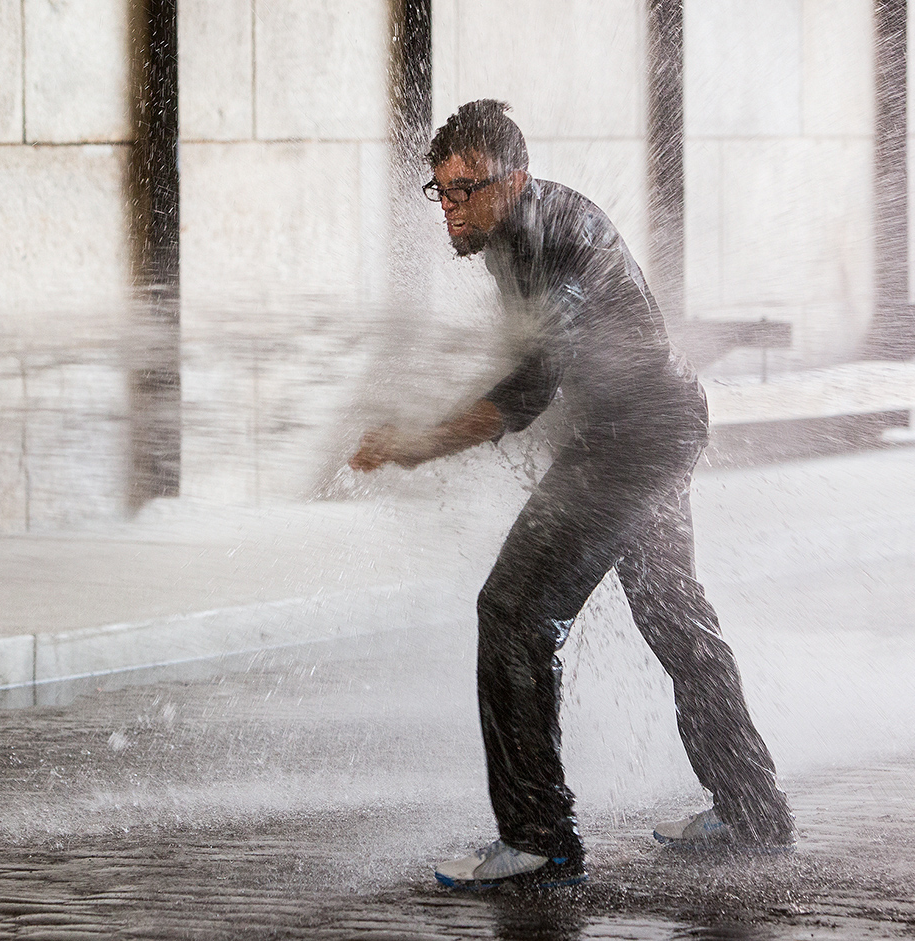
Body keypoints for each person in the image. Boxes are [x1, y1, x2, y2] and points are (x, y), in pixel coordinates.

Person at [349, 100, 793, 891]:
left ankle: (539, 841)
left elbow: (529, 388)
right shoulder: (505, 229)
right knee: (671, 612)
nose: (449, 208)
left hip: (636, 438)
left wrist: (418, 445)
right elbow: (553, 368)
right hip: (648, 425)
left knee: (514, 613)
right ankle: (752, 809)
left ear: (513, 179)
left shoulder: (549, 233)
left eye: (466, 191)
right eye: (439, 191)